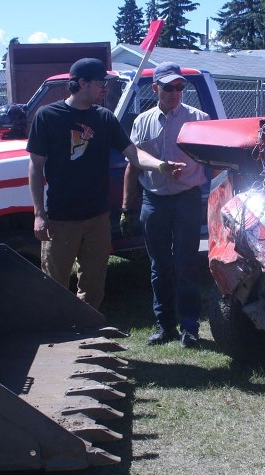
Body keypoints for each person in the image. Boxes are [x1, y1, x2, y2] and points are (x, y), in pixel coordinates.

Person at [27, 57, 184, 313]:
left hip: (97, 218)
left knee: (94, 286)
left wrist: (160, 166)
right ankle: (56, 338)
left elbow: (132, 153)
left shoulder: (104, 118)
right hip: (60, 218)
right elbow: (35, 166)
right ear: (81, 83)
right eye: (100, 82)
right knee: (54, 285)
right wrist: (38, 214)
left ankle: (87, 334)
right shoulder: (48, 116)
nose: (105, 88)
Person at [121, 62, 211, 348]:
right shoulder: (142, 121)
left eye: (180, 87)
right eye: (169, 87)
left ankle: (190, 327)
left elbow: (215, 163)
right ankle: (164, 326)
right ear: (155, 88)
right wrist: (126, 208)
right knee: (159, 266)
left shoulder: (200, 119)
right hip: (154, 202)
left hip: (187, 200)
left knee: (187, 265)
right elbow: (133, 165)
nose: (175, 92)